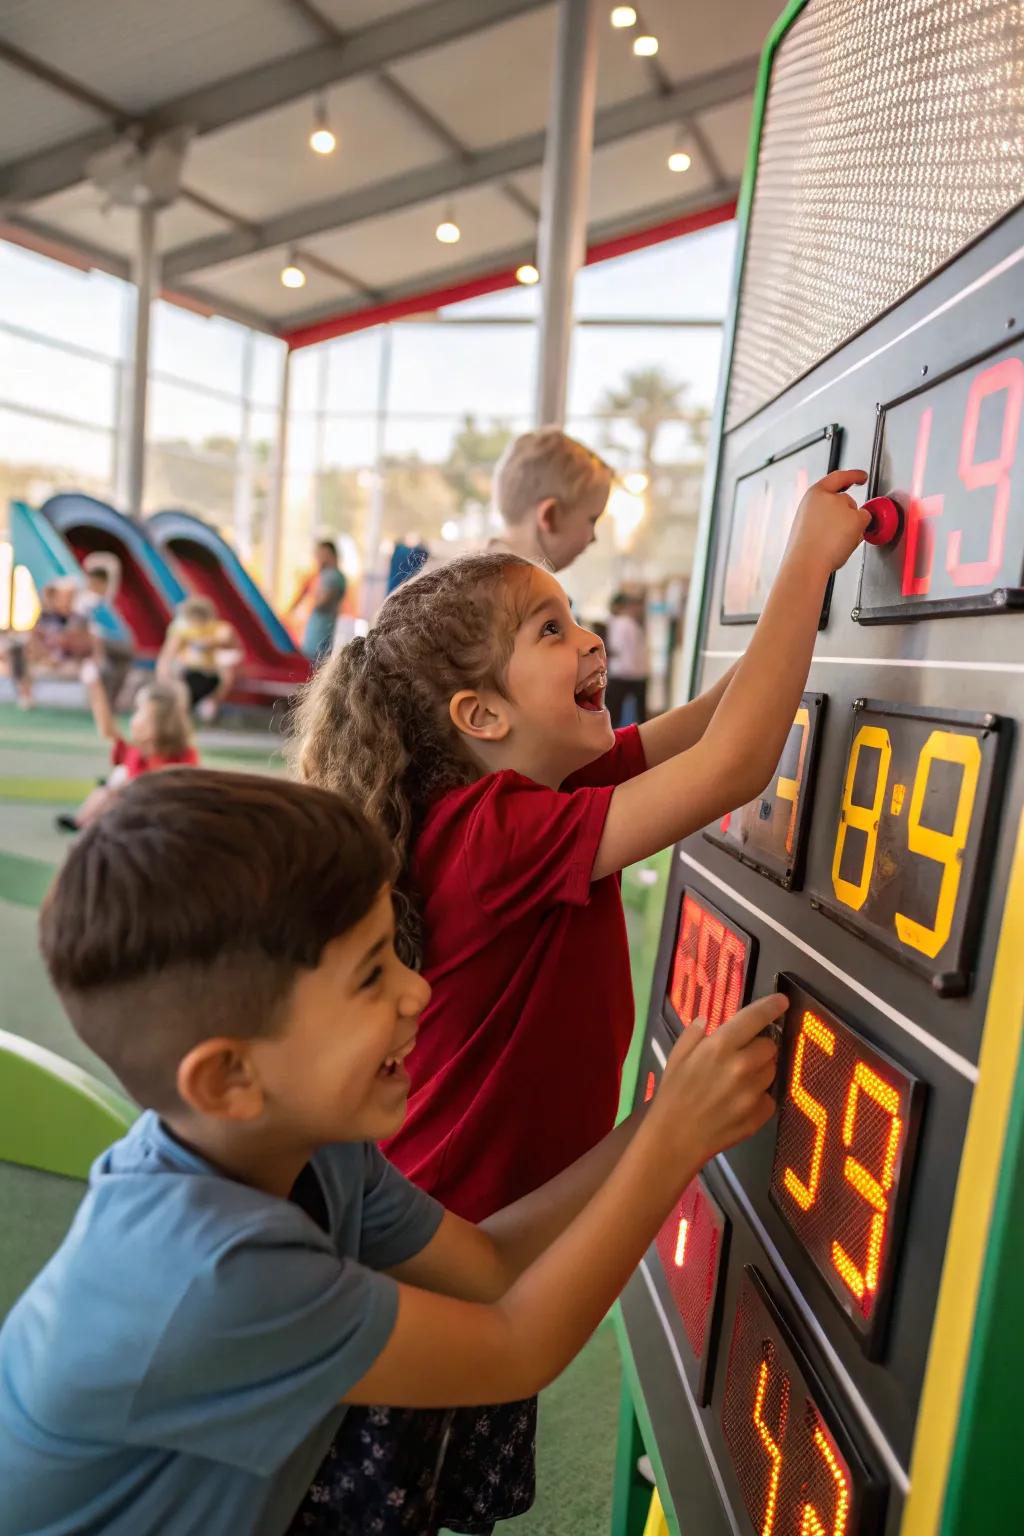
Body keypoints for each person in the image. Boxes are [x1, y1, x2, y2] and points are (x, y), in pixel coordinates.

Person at [293, 467, 869, 1529]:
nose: (591, 639)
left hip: (497, 1231)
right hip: (446, 1250)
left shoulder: (550, 787)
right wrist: (803, 568)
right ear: (479, 716)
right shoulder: (485, 832)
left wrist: (810, 624)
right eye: (552, 631)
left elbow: (709, 723)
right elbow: (736, 764)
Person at [0, 768, 782, 1536]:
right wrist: (673, 1142)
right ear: (229, 1076)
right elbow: (516, 1345)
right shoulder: (215, 1277)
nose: (418, 990)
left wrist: (652, 1123)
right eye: (373, 976)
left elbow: (490, 1266)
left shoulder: (307, 1147)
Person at [55, 669, 197, 832]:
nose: (134, 719)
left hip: (158, 812)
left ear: (161, 724)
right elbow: (107, 730)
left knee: (119, 784)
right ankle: (84, 822)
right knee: (115, 781)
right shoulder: (136, 751)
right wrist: (95, 688)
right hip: (134, 807)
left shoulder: (181, 755)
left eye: (141, 713)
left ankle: (91, 823)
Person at [491, 427, 613, 572]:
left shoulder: (469, 578)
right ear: (550, 516)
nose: (593, 538)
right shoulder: (534, 591)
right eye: (592, 520)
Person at [157, 594, 243, 723]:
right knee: (178, 685)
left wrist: (214, 645)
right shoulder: (181, 630)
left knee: (226, 673)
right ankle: (179, 713)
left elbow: (235, 651)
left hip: (211, 672)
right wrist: (163, 678)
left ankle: (210, 703)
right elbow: (167, 656)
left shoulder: (220, 630)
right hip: (187, 671)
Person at [288, 539, 347, 664]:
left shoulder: (333, 576)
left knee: (314, 667)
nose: (318, 559)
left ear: (329, 554)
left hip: (321, 632)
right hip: (320, 630)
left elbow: (322, 604)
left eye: (320, 555)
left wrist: (315, 593)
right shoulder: (329, 576)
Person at [605, 589, 649, 727]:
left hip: (621, 673)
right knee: (639, 715)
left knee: (613, 715)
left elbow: (616, 648)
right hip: (636, 674)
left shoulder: (620, 623)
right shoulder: (629, 623)